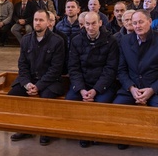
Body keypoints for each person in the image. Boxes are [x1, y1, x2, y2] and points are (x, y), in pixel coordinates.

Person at [8, 9, 66, 146]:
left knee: (46, 96)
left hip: (50, 81)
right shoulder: (26, 40)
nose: (38, 23)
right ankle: (25, 128)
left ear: (48, 22)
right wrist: (27, 84)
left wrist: (38, 86)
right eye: (36, 20)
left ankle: (46, 130)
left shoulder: (57, 41)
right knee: (14, 94)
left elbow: (55, 69)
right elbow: (22, 65)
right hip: (30, 80)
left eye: (41, 20)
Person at [114, 10, 158, 120]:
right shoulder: (125, 40)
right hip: (132, 89)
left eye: (141, 22)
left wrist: (152, 90)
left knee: (157, 117)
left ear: (149, 21)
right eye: (134, 23)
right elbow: (121, 70)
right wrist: (131, 88)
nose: (137, 26)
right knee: (116, 112)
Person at [67, 11, 120, 146]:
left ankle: (97, 133)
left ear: (100, 23)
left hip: (103, 84)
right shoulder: (76, 40)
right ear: (83, 25)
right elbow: (74, 68)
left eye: (94, 23)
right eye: (87, 24)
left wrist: (96, 90)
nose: (91, 27)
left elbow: (110, 69)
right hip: (83, 83)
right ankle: (82, 132)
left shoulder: (111, 41)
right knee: (71, 101)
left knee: (101, 103)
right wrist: (81, 89)